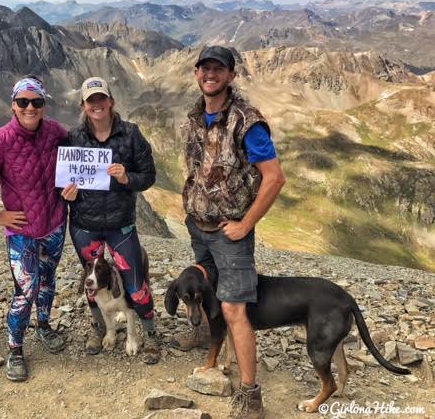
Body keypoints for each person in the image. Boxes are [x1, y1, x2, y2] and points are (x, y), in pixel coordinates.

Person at [180, 46, 285, 419]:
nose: (210, 74)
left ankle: (250, 394)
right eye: (205, 68)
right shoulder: (194, 115)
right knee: (210, 295)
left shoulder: (247, 121)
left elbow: (274, 178)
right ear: (197, 73)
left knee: (234, 308)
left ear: (231, 75)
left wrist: (245, 224)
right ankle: (214, 355)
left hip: (230, 233)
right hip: (199, 227)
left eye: (218, 69)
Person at [0, 76, 71, 382]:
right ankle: (15, 349)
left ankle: (44, 326)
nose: (30, 107)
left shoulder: (56, 132)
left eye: (36, 102)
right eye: (23, 102)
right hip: (22, 233)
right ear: (13, 105)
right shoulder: (2, 140)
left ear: (44, 105)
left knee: (47, 281)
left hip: (56, 224)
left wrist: (75, 190)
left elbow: (77, 163)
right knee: (26, 291)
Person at [62, 77, 160, 365]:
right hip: (84, 224)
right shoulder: (74, 137)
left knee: (135, 285)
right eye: (90, 101)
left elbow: (149, 175)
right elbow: (61, 180)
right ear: (83, 105)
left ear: (111, 101)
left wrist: (127, 177)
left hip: (121, 225)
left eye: (101, 99)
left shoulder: (131, 134)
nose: (97, 105)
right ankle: (100, 329)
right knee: (92, 282)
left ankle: (150, 333)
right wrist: (65, 194)